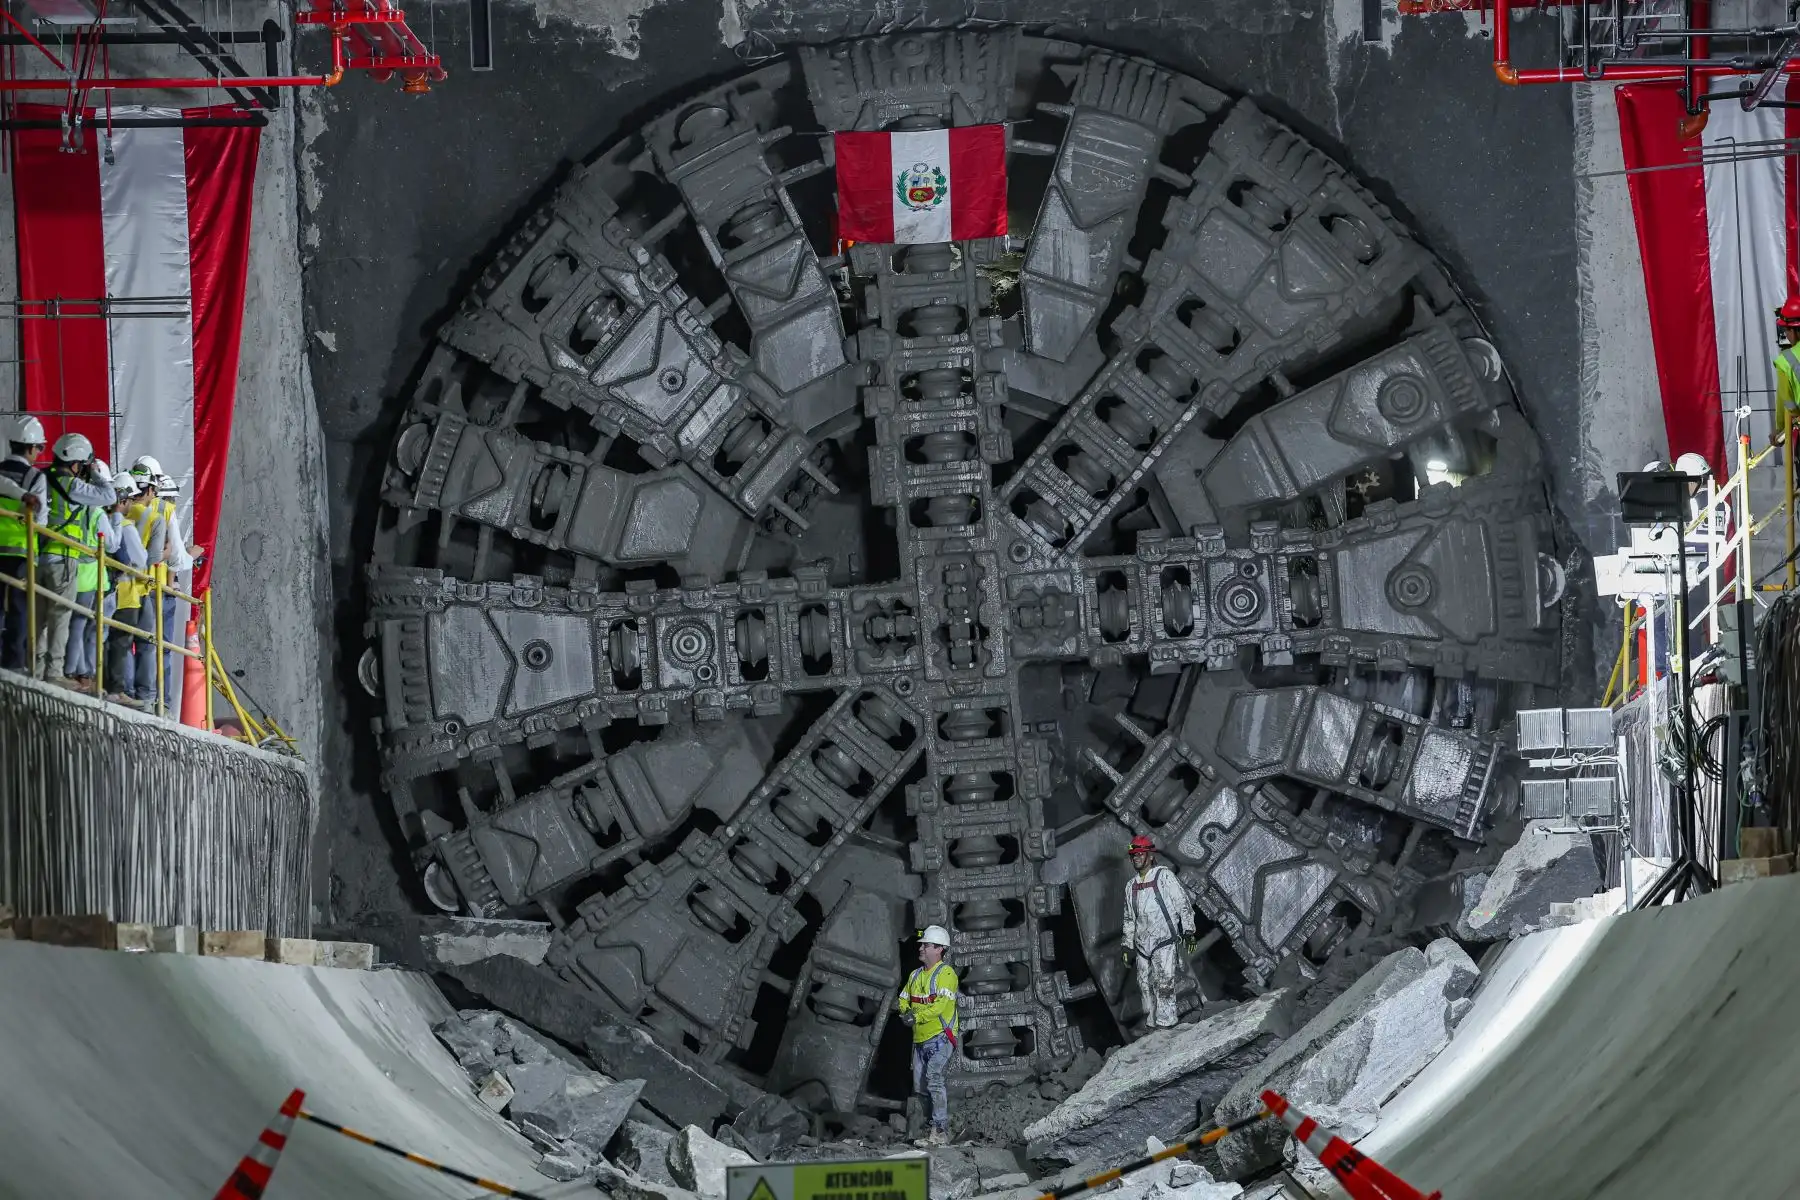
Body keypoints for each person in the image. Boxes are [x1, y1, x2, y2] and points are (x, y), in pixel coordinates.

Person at [34, 434, 117, 687]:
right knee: (60, 616)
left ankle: (36, 668)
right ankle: (54, 672)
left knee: (39, 616)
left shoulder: (40, 479)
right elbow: (109, 497)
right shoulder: (73, 486)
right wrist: (96, 473)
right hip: (65, 558)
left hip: (40, 556)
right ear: (76, 463)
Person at [125, 454, 199, 711]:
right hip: (153, 587)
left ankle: (125, 690)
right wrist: (190, 557)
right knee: (154, 645)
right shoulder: (163, 511)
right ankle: (154, 700)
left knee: (118, 638)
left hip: (118, 583)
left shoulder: (119, 501)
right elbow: (174, 557)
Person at [1121, 834, 1196, 1031]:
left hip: (1164, 941)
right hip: (1142, 945)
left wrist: (1188, 931)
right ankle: (1154, 1023)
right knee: (1145, 985)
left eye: (1140, 854)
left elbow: (1183, 905)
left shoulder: (1164, 877)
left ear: (1150, 856)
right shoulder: (1131, 886)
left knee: (1164, 984)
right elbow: (1130, 918)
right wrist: (1127, 945)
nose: (1136, 858)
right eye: (1133, 855)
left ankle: (1167, 1024)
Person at [63, 458, 125, 692]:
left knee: (70, 623)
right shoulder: (97, 512)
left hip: (68, 566)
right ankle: (79, 673)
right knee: (81, 625)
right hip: (88, 576)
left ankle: (73, 670)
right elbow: (112, 545)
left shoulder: (72, 504)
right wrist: (117, 518)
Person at [897, 924, 959, 1147]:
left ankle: (940, 1131)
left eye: (926, 945)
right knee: (920, 1087)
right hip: (920, 1041)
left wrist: (916, 1016)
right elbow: (903, 999)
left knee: (934, 1080)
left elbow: (941, 1007)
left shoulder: (946, 974)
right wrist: (906, 1012)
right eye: (922, 944)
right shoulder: (915, 976)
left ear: (939, 949)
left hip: (940, 1038)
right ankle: (926, 1130)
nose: (921, 948)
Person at [0, 414, 48, 672]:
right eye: (39, 448)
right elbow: (40, 519)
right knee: (19, 609)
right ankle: (14, 663)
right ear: (30, 447)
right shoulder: (34, 478)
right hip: (21, 551)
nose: (39, 453)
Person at [102, 475, 151, 709]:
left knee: (102, 638)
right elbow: (141, 560)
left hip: (104, 588)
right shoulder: (126, 527)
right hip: (126, 592)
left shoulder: (102, 519)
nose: (132, 503)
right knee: (121, 642)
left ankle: (101, 683)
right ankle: (116, 690)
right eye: (130, 498)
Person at [1773, 297, 1800, 448]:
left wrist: (1780, 429)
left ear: (1794, 330)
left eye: (1785, 330)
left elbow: (1786, 400)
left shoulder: (1786, 359)